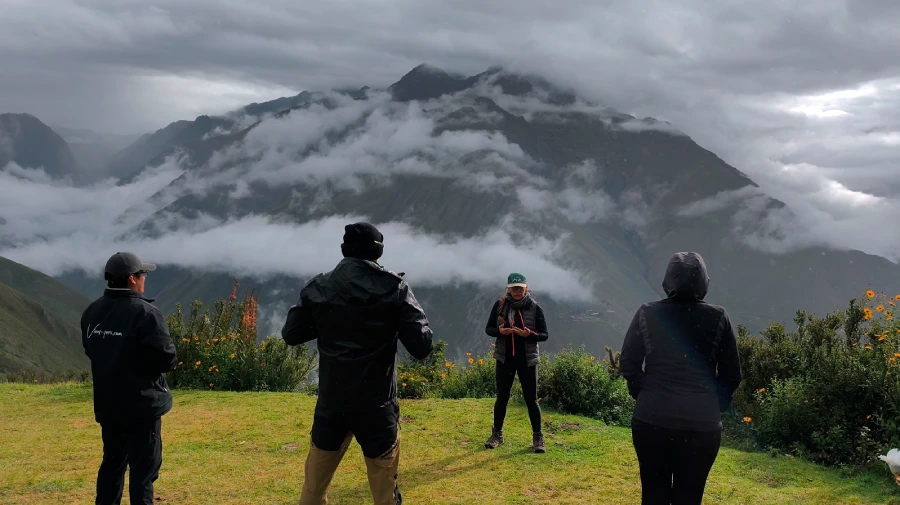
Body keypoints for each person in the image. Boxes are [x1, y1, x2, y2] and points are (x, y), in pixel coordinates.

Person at [282, 222, 434, 505]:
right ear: (378, 253)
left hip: (332, 402)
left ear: (344, 250)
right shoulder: (395, 288)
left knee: (314, 489)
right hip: (377, 406)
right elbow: (422, 347)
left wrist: (328, 319)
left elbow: (291, 334)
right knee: (384, 492)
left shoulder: (319, 286)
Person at [619, 252, 743, 505]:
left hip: (652, 419)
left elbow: (629, 364)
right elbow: (732, 374)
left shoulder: (647, 313)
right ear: (704, 282)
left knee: (654, 494)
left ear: (668, 281)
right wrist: (712, 404)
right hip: (701, 425)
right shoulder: (718, 316)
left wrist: (645, 392)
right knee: (690, 496)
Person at [81, 252, 178, 505]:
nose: (145, 279)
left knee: (111, 465)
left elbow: (91, 350)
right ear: (133, 279)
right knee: (143, 473)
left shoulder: (92, 312)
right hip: (142, 406)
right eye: (143, 274)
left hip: (109, 405)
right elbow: (166, 359)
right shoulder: (146, 314)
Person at [483, 272, 549, 453]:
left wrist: (529, 335)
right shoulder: (500, 305)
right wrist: (499, 331)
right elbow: (489, 329)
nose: (517, 291)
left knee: (531, 399)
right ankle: (497, 434)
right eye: (513, 288)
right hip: (505, 359)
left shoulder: (534, 308)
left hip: (528, 360)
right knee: (501, 398)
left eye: (520, 288)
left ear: (526, 288)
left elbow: (544, 334)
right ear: (508, 289)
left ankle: (538, 437)